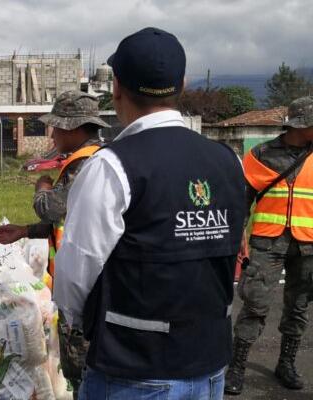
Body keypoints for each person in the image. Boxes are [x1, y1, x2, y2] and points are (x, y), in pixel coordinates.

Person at [54, 27, 247, 399]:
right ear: (184, 84)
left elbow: (75, 276)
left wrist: (84, 326)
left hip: (133, 372)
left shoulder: (112, 166)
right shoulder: (228, 161)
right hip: (209, 368)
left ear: (116, 88)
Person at [0, 90, 109, 397]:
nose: (53, 133)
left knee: (81, 365)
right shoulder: (99, 157)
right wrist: (24, 232)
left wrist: (42, 186)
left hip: (84, 287)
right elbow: (69, 221)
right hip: (90, 280)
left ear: (75, 128)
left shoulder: (83, 164)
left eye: (57, 126)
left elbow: (51, 208)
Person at [225, 96, 313, 394]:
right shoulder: (262, 154)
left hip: (308, 246)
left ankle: (285, 363)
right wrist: (238, 233)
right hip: (267, 242)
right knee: (255, 304)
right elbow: (241, 200)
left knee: (298, 307)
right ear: (302, 125)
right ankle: (236, 367)